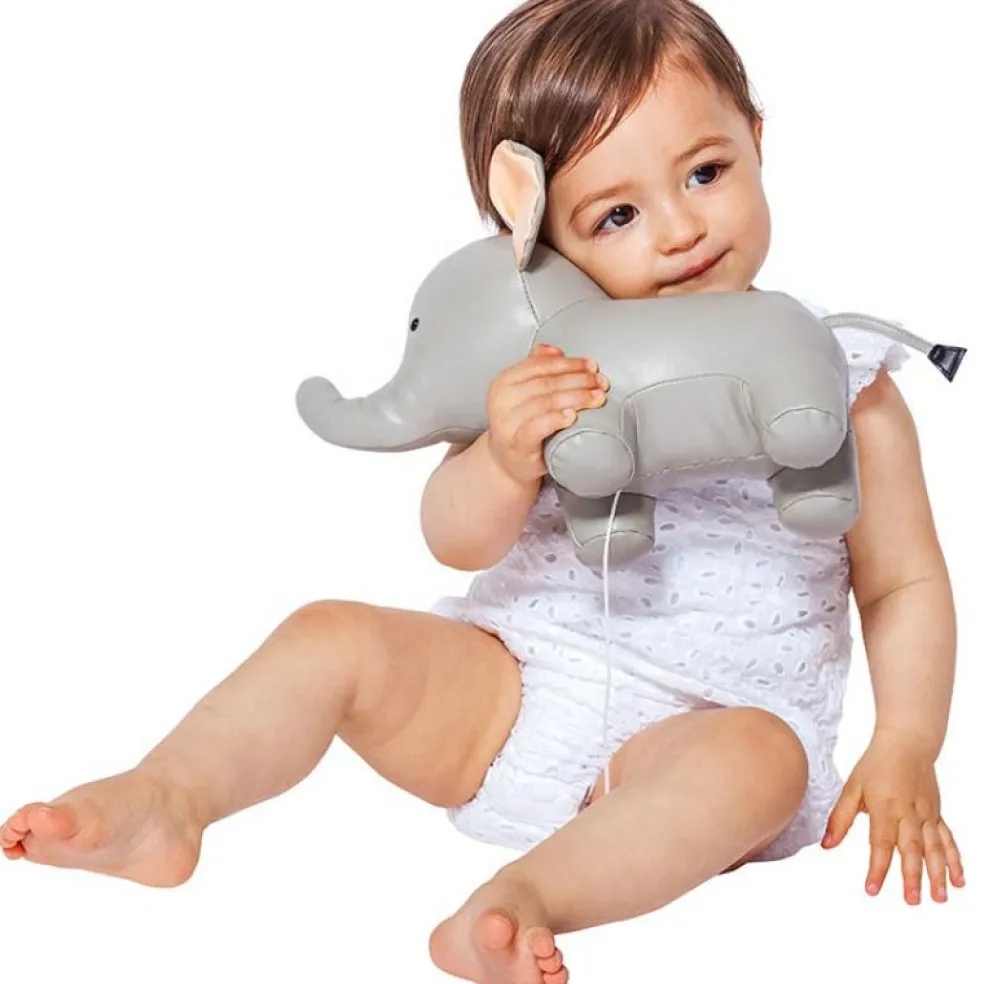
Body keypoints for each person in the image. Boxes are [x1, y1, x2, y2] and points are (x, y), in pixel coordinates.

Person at [1, 1, 966, 982]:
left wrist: (906, 742)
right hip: (508, 692)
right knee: (329, 634)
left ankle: (523, 902)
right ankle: (170, 797)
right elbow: (454, 540)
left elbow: (903, 584)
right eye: (617, 215)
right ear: (534, 232)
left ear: (757, 139)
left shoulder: (843, 382)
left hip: (706, 730)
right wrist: (505, 459)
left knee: (757, 762)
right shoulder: (546, 368)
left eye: (705, 172)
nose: (680, 230)